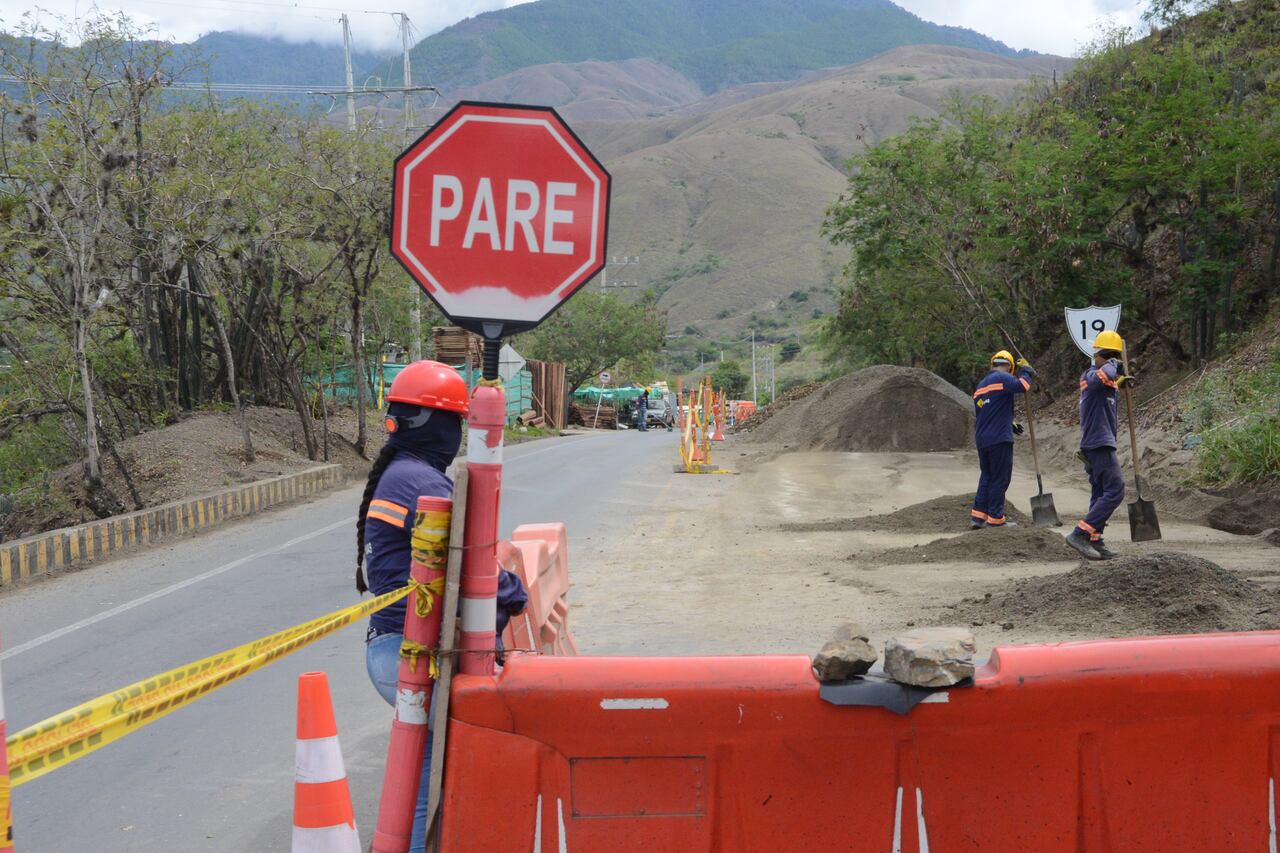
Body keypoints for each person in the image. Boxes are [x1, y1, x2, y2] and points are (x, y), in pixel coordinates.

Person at [356, 360, 526, 851]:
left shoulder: (401, 472)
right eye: (456, 422)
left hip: (395, 647)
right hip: (408, 653)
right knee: (430, 772)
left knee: (431, 764)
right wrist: (514, 593)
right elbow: (472, 568)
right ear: (438, 425)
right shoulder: (422, 483)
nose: (457, 433)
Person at [1065, 330, 1135, 561]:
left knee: (1101, 491)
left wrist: (1120, 382)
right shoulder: (1092, 375)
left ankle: (1096, 539)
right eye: (1113, 358)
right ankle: (1079, 534)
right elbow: (1103, 376)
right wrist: (1114, 366)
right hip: (1098, 442)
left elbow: (1109, 381)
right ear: (1108, 356)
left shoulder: (1106, 382)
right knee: (1116, 490)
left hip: (1100, 441)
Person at [970, 349, 1035, 529]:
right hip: (999, 439)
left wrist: (1010, 422)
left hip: (983, 439)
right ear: (1009, 367)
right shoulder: (1003, 377)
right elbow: (1023, 386)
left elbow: (987, 411)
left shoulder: (981, 385)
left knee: (987, 476)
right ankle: (996, 519)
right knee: (1000, 477)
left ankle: (977, 517)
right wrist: (1027, 371)